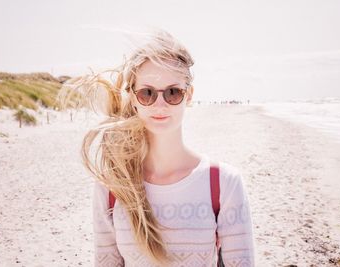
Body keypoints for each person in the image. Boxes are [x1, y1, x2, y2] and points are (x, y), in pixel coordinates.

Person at [61, 29, 255, 266]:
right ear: (133, 98)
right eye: (147, 93)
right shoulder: (112, 186)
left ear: (189, 95)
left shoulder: (224, 183)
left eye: (173, 92)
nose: (160, 104)